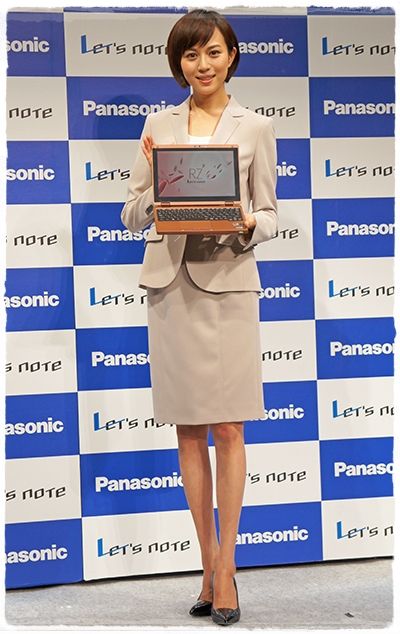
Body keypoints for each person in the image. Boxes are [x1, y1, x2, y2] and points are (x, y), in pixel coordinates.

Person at [121, 8, 278, 626]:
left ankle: (228, 568)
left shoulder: (255, 126)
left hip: (229, 283)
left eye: (213, 52)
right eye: (191, 54)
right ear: (178, 63)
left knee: (230, 429)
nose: (202, 64)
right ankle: (207, 567)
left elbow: (271, 213)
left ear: (231, 56)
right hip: (171, 287)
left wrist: (246, 221)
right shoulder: (158, 124)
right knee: (188, 431)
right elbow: (131, 213)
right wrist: (159, 190)